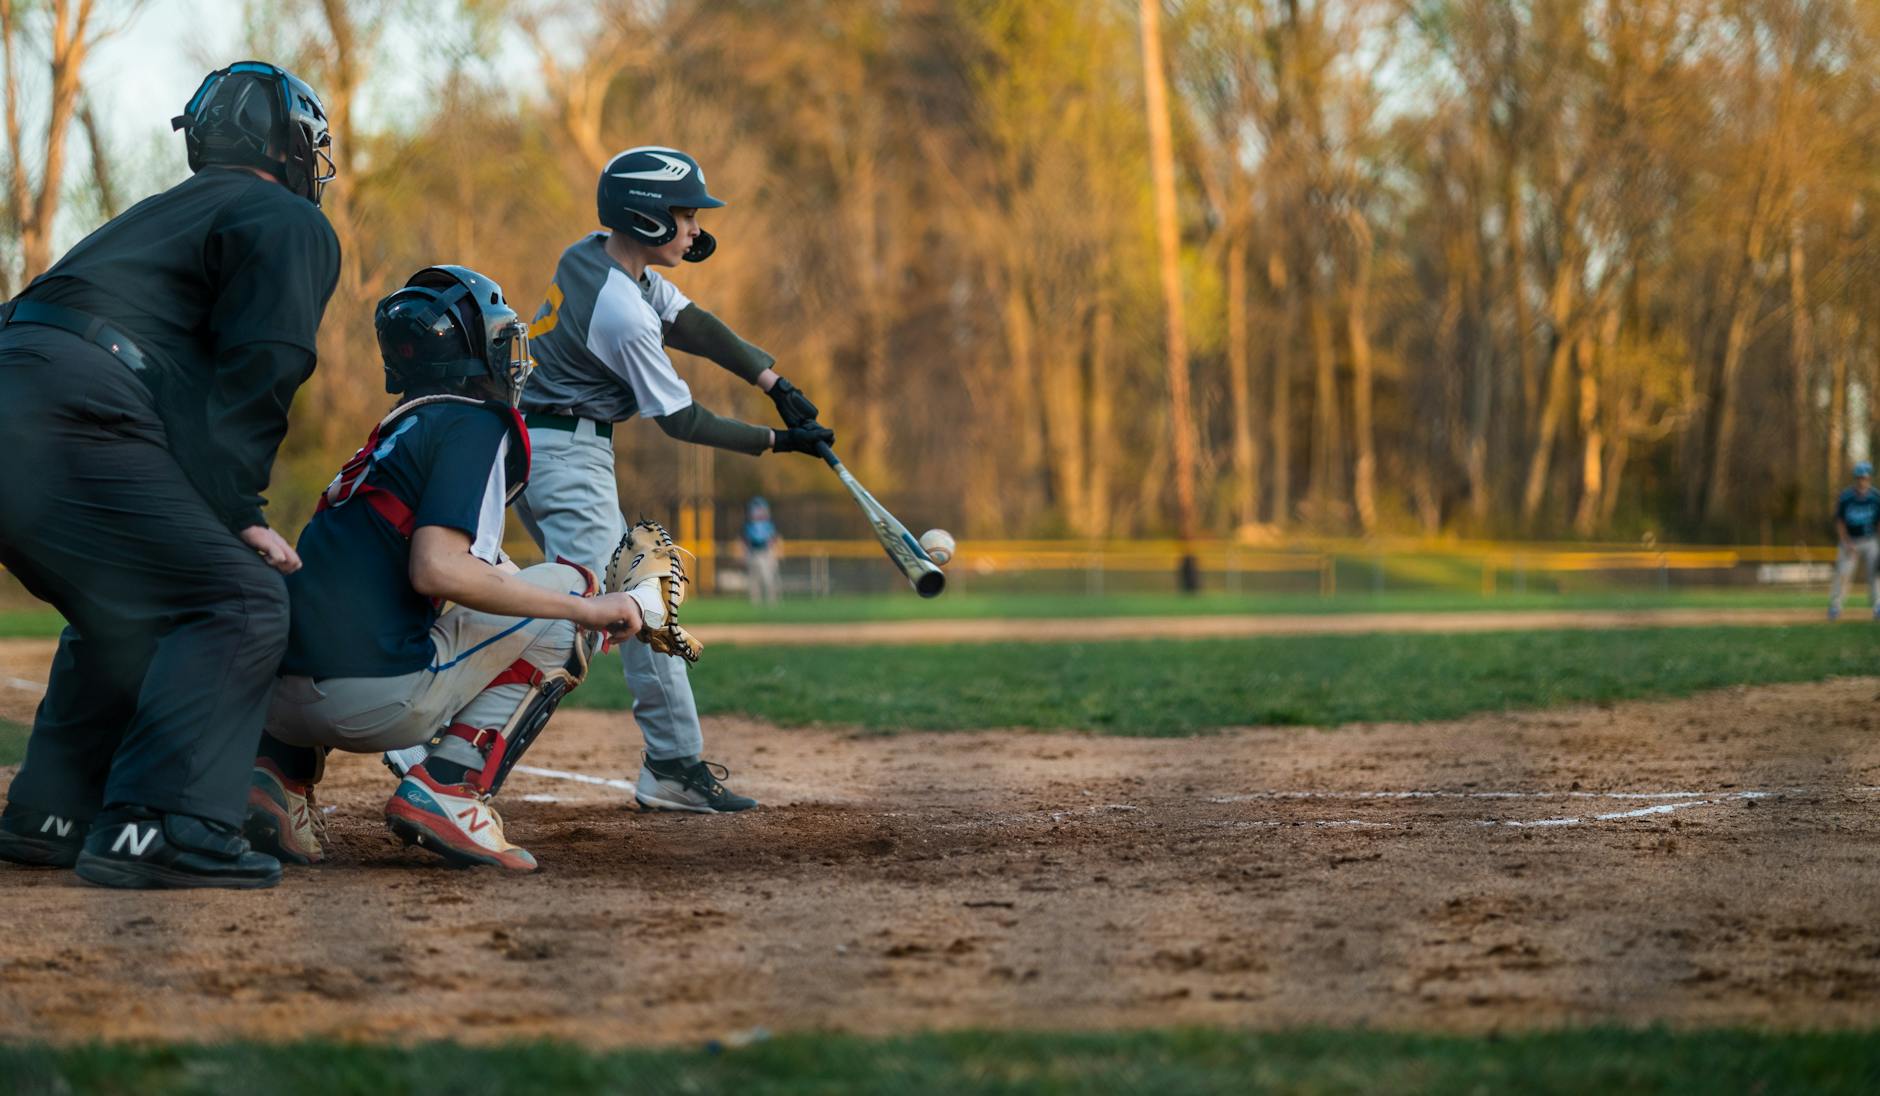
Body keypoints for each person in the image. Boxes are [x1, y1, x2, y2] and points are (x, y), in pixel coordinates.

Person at [0, 61, 340, 889]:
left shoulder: (153, 216)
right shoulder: (283, 215)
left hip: (29, 382)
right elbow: (265, 362)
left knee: (135, 598)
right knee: (240, 598)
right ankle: (159, 825)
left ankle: (53, 814)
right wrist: (240, 507)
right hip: (73, 406)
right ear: (290, 143)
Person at [243, 267, 651, 873]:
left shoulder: (396, 431)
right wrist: (591, 608)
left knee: (363, 604)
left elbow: (461, 565)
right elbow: (437, 569)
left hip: (274, 701)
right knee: (571, 591)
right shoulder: (472, 421)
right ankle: (451, 791)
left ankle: (275, 777)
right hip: (367, 701)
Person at [503, 145, 832, 813]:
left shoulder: (596, 254)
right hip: (565, 454)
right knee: (602, 614)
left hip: (551, 443)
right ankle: (447, 745)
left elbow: (694, 324)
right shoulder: (619, 312)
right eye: (684, 217)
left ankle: (674, 765)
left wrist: (774, 382)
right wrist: (777, 442)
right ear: (647, 220)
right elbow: (681, 421)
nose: (695, 231)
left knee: (633, 605)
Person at [1828, 460, 1880, 621]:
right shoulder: (1846, 497)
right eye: (1859, 478)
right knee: (1843, 573)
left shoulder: (1875, 497)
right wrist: (1847, 541)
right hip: (1850, 540)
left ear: (1869, 478)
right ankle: (1836, 606)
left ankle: (1878, 604)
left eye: (1864, 478)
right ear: (1855, 479)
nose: (1862, 481)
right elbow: (1840, 521)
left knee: (1875, 573)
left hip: (1870, 540)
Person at [741, 497, 783, 605]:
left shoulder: (769, 525)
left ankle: (772, 601)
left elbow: (774, 539)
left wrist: (777, 551)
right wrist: (744, 554)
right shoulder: (749, 526)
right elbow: (746, 541)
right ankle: (756, 602)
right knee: (754, 580)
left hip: (766, 553)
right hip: (753, 553)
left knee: (768, 578)